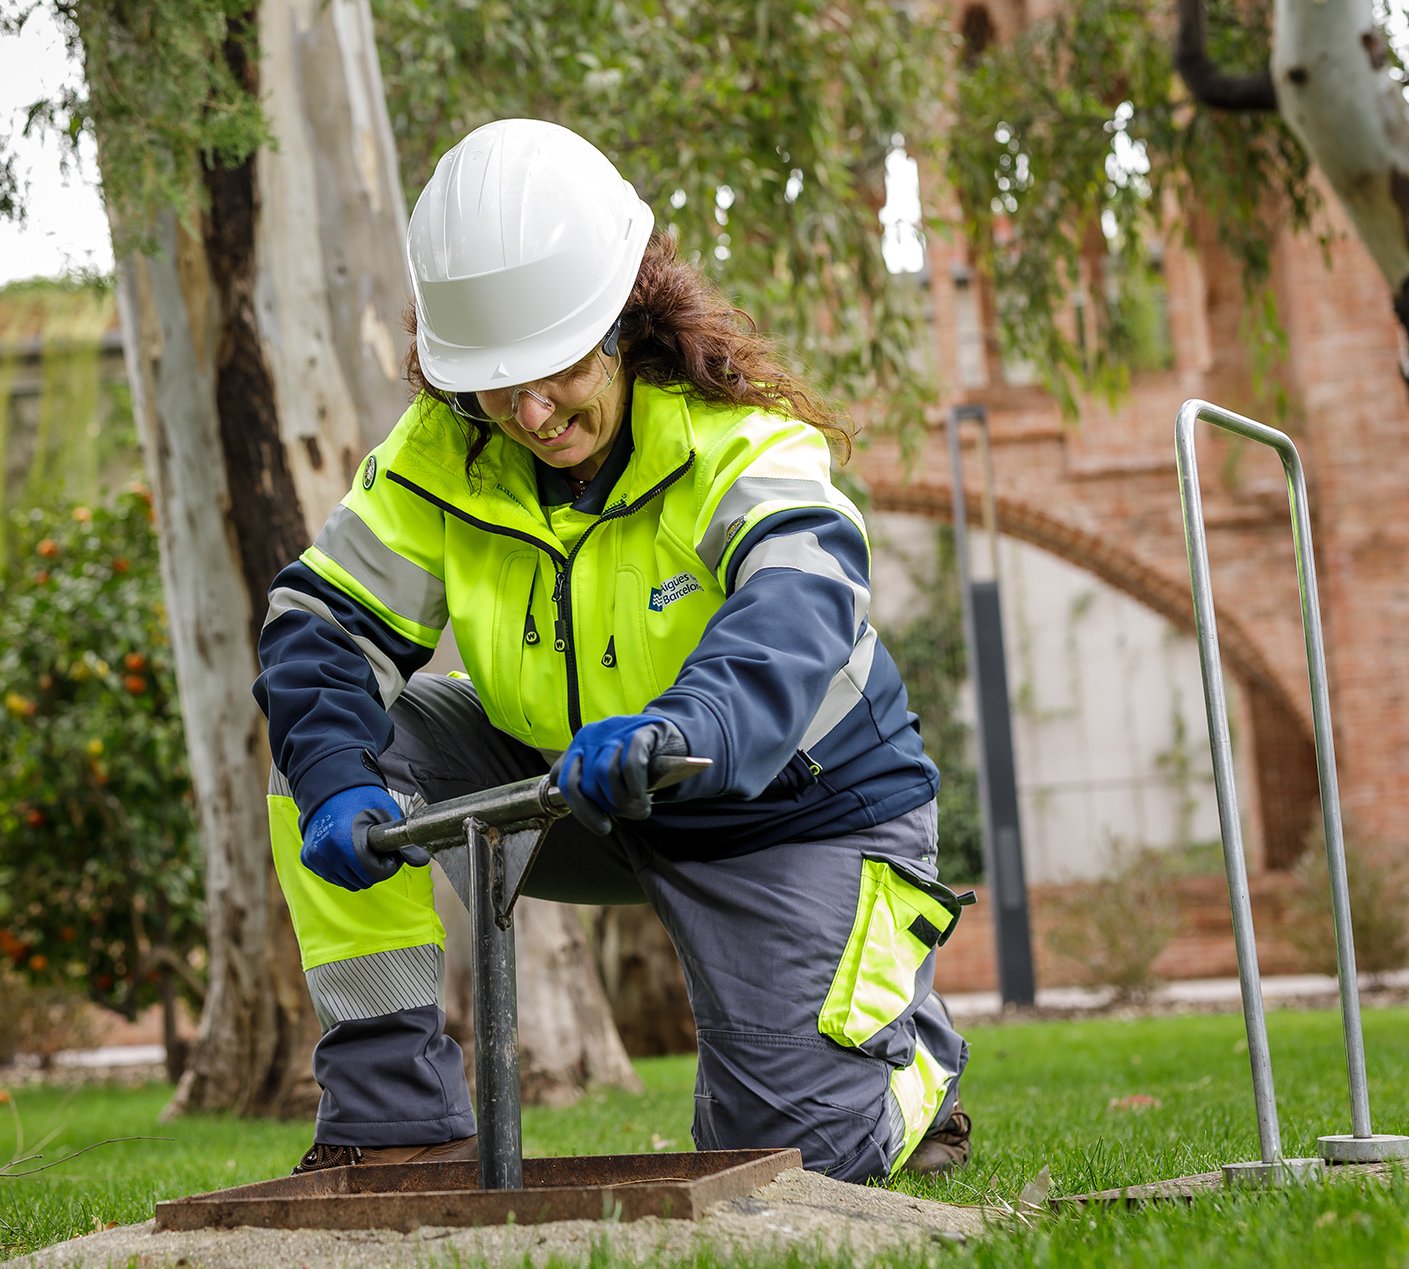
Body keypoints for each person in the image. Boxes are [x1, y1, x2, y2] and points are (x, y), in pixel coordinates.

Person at [253, 118, 971, 1184]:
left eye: (558, 370)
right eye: (499, 385)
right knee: (325, 750)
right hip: (580, 788)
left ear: (623, 325)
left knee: (784, 1162)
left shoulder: (744, 448)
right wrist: (335, 785)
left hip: (791, 807)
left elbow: (797, 611)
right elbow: (318, 627)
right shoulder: (441, 455)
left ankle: (908, 1067)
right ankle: (391, 1116)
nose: (532, 413)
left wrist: (683, 729)